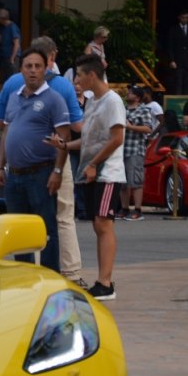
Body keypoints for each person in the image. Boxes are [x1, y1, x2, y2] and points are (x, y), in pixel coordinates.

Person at [0, 35, 86, 286]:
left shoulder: (54, 98)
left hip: (41, 173)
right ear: (21, 69)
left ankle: (50, 279)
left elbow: (64, 138)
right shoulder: (15, 95)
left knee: (47, 229)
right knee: (20, 230)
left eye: (37, 66)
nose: (32, 71)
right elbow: (6, 130)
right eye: (28, 66)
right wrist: (1, 166)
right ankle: (25, 280)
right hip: (15, 175)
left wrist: (57, 171)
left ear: (46, 69)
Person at [66, 54, 125, 301]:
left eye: (79, 75)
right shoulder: (91, 102)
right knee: (97, 224)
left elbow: (117, 138)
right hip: (91, 172)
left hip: (106, 172)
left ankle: (106, 282)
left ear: (91, 75)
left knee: (104, 223)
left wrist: (93, 164)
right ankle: (103, 280)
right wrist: (65, 145)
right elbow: (89, 140)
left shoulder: (112, 101)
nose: (76, 80)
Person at [122, 85, 157, 221]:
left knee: (135, 180)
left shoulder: (144, 110)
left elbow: (149, 128)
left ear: (137, 97)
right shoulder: (122, 109)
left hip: (135, 149)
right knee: (122, 181)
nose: (127, 93)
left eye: (130, 92)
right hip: (122, 149)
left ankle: (137, 209)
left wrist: (130, 126)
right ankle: (124, 208)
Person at [165, 9, 188, 95]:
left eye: (186, 18)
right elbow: (170, 46)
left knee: (187, 82)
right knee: (178, 82)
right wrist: (172, 60)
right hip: (178, 61)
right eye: (183, 17)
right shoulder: (173, 29)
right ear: (179, 18)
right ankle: (178, 100)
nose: (185, 19)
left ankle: (185, 100)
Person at [0, 8, 21, 82]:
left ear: (2, 18)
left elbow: (16, 44)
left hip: (11, 58)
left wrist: (12, 58)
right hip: (4, 58)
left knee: (12, 81)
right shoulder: (3, 28)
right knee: (4, 81)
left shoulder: (12, 27)